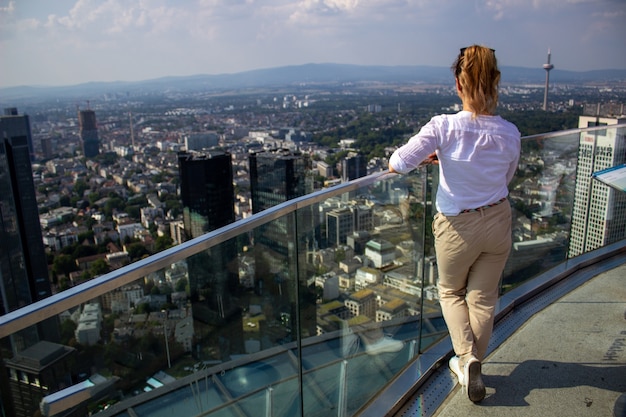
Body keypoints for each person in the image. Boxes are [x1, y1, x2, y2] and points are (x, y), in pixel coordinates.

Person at [388, 45, 520, 402]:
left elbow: (397, 163)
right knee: (482, 300)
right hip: (498, 218)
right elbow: (506, 179)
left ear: (459, 85)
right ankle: (471, 362)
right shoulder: (510, 132)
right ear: (495, 84)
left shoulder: (443, 127)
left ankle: (466, 358)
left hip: (457, 226)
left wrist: (438, 158)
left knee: (449, 292)